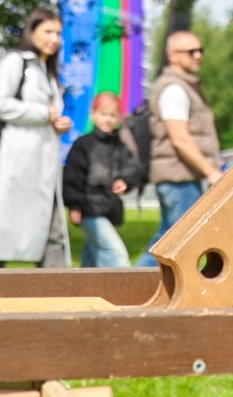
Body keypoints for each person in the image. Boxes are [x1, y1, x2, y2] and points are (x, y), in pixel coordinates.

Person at [0, 8, 74, 268]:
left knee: (51, 227)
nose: (54, 39)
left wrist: (57, 123)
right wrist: (42, 114)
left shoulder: (50, 73)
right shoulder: (16, 62)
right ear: (31, 31)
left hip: (44, 162)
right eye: (48, 32)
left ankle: (58, 291)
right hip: (16, 159)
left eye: (58, 33)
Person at [135, 30, 220, 264]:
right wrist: (211, 172)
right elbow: (179, 138)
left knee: (169, 239)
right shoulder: (174, 89)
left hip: (182, 177)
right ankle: (131, 286)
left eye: (200, 50)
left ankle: (132, 288)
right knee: (174, 242)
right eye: (191, 51)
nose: (198, 55)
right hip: (177, 179)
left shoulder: (185, 86)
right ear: (173, 55)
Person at [62, 91, 143, 268]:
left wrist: (125, 181)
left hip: (108, 207)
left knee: (93, 254)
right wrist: (75, 205)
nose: (107, 119)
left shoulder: (119, 146)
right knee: (115, 253)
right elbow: (72, 177)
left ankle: (83, 289)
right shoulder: (83, 145)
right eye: (103, 114)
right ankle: (126, 288)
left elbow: (133, 168)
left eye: (112, 115)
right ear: (93, 115)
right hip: (89, 208)